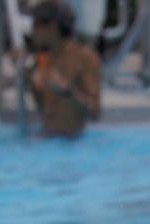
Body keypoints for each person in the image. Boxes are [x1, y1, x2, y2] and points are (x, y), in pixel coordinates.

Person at [28, 0, 100, 138]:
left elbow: (94, 112)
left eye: (35, 25)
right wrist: (30, 81)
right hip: (46, 138)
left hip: (71, 144)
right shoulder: (44, 58)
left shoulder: (85, 58)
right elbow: (46, 111)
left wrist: (67, 91)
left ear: (52, 27)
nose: (32, 31)